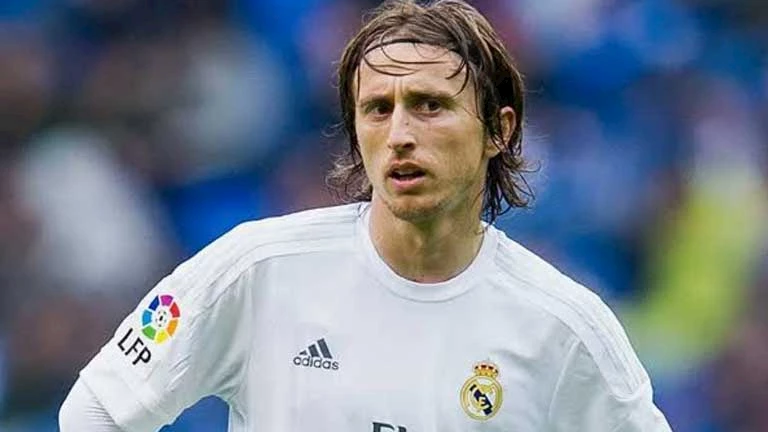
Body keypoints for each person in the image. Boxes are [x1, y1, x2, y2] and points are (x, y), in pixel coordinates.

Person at [59, 0, 672, 430]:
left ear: (498, 130)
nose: (400, 133)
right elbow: (97, 411)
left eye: (430, 105)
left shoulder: (563, 326)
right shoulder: (256, 268)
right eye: (378, 109)